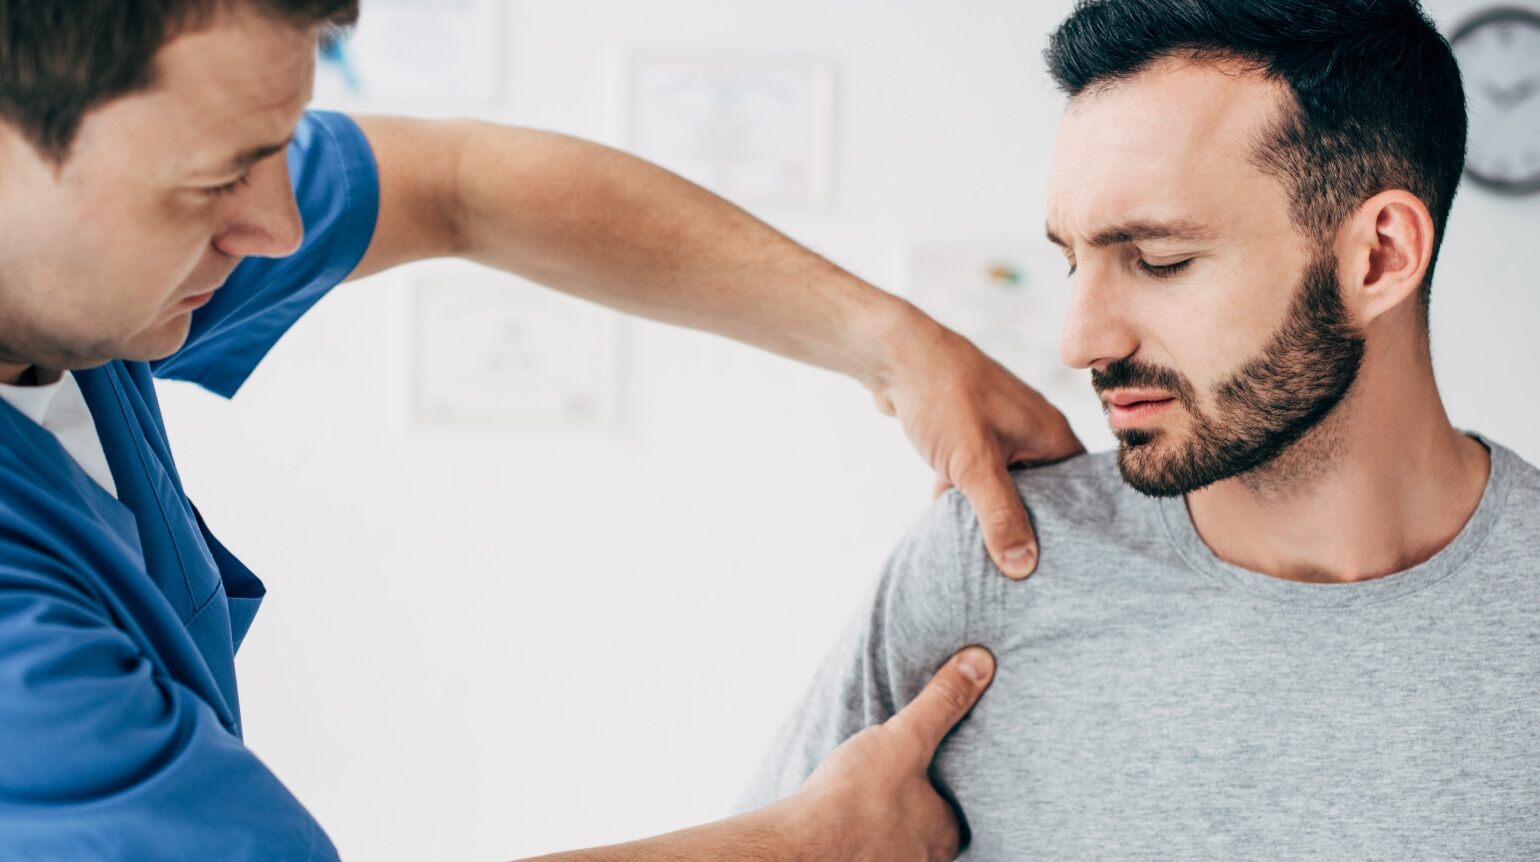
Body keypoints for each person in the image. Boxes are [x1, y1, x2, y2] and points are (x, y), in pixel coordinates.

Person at [0, 2, 1087, 859]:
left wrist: (892, 342)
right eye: (209, 185)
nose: (277, 224)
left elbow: (462, 184)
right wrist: (810, 846)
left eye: (277, 145)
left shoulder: (81, 288)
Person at [740, 0, 1540, 858]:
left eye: (1160, 262)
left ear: (1378, 256)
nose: (1081, 340)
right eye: (1072, 261)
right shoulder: (993, 566)